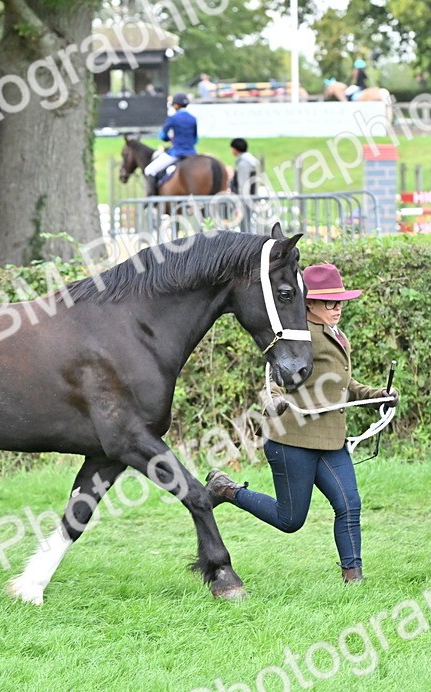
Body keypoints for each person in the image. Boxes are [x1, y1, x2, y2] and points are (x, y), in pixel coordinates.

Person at [205, 263, 398, 584]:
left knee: (349, 505)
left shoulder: (336, 334)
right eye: (330, 302)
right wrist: (272, 400)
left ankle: (354, 579)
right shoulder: (299, 334)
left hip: (330, 440)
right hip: (291, 440)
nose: (338, 308)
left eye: (340, 301)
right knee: (290, 520)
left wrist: (379, 394)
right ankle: (226, 489)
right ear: (309, 303)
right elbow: (273, 378)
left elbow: (343, 382)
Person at [143, 92, 197, 196]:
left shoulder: (173, 118)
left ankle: (153, 199)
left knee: (149, 170)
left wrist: (169, 138)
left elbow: (162, 135)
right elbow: (195, 139)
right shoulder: (193, 119)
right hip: (192, 153)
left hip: (177, 152)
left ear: (176, 105)